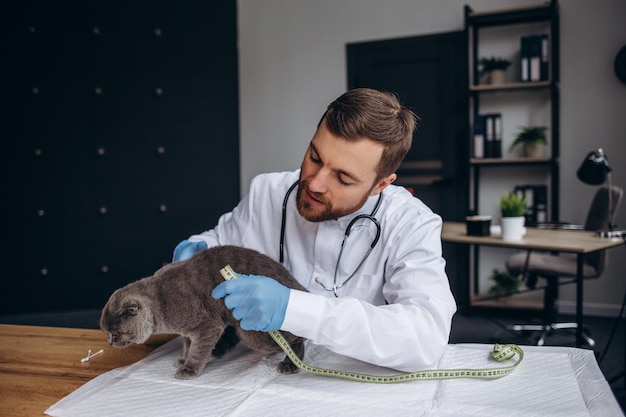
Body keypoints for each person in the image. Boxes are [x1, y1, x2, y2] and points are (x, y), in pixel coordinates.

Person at [173, 88, 456, 372]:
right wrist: (196, 252)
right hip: (260, 370)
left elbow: (425, 339)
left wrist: (294, 309)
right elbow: (220, 242)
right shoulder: (266, 192)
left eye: (343, 178)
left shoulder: (411, 223)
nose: (315, 183)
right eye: (315, 157)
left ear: (380, 185)